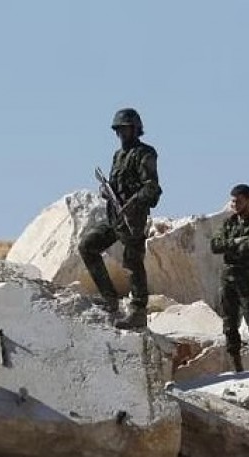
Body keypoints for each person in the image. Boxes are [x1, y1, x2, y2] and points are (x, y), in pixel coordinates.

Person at [78, 108, 162, 330]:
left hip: (133, 218)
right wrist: (106, 191)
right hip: (114, 215)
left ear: (135, 129)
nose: (122, 134)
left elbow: (152, 188)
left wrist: (133, 203)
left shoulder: (146, 153)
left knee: (133, 262)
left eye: (125, 129)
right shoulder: (118, 156)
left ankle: (138, 310)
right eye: (119, 130)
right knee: (87, 246)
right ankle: (110, 299)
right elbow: (114, 185)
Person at [210, 184, 249, 372]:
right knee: (229, 323)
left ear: (248, 201)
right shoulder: (229, 223)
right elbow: (215, 245)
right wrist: (237, 241)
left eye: (238, 201)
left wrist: (231, 246)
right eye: (233, 201)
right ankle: (237, 367)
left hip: (247, 279)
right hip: (227, 278)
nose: (234, 204)